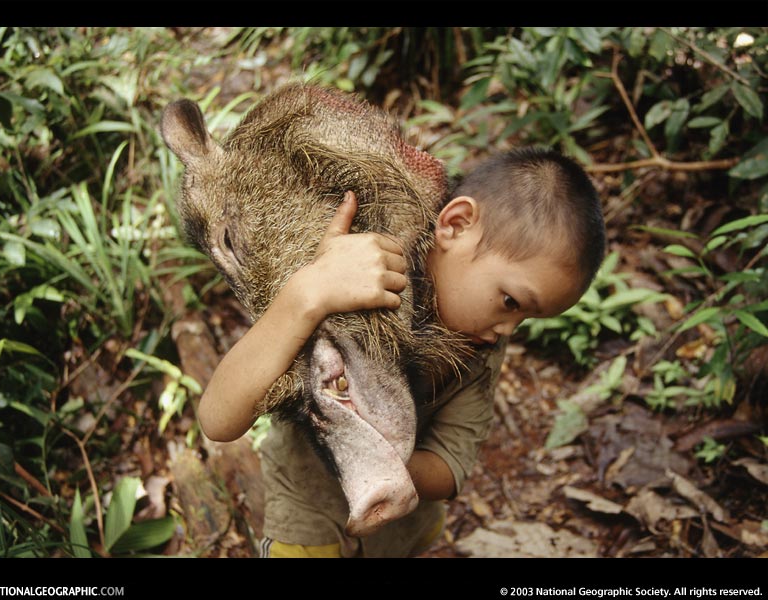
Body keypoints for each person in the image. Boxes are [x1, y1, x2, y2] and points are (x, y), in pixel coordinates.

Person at [198, 147, 606, 558]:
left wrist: (379, 462)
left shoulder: (479, 350)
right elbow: (218, 419)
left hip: (401, 531)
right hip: (308, 514)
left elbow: (449, 466)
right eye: (511, 302)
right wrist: (309, 292)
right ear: (457, 224)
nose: (507, 329)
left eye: (527, 319)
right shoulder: (350, 272)